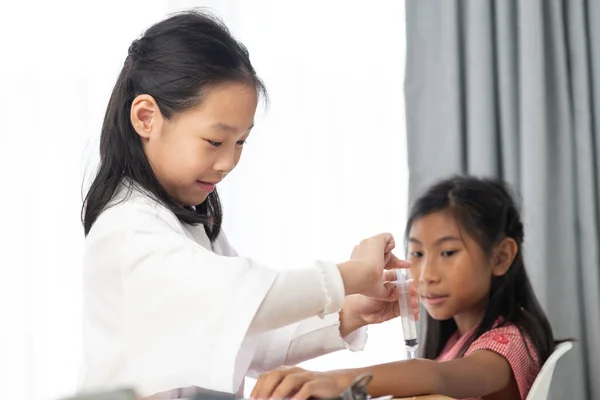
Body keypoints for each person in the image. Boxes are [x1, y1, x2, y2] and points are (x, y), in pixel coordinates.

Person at [79, 10, 418, 400]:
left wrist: (350, 312)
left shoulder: (187, 223)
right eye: (214, 141)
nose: (228, 163)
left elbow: (245, 337)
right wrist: (356, 275)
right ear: (146, 118)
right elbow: (249, 301)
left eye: (240, 142)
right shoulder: (129, 230)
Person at [251, 176, 557, 400]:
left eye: (448, 253)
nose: (426, 275)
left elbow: (436, 377)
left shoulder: (510, 342)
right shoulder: (457, 340)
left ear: (501, 257)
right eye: (418, 254)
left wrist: (336, 381)